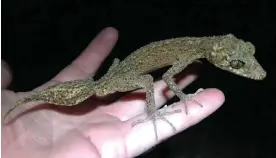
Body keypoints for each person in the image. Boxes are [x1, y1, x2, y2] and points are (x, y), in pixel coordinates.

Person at [1, 27, 224, 158]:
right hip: (114, 79)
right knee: (147, 79)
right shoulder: (192, 49)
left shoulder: (193, 46)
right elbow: (165, 78)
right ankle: (151, 114)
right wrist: (184, 97)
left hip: (117, 72)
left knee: (131, 73)